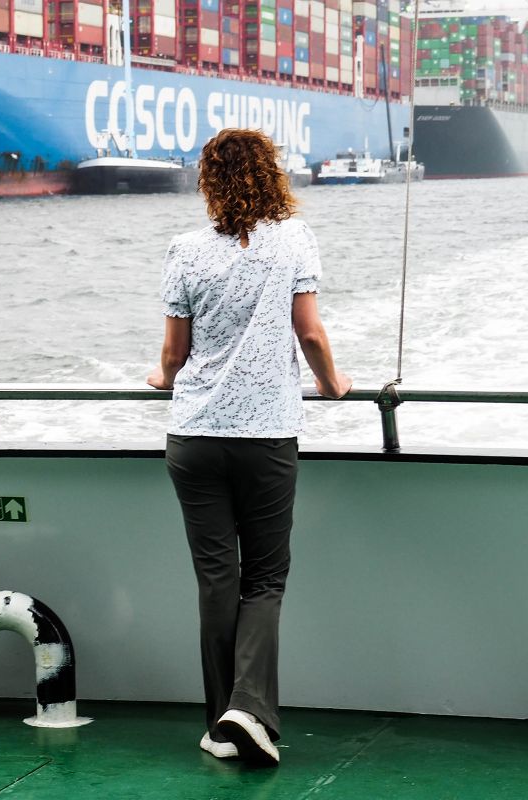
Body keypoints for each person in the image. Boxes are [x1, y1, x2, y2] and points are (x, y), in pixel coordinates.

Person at [145, 128, 352, 767]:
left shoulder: (184, 249)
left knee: (217, 579)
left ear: (209, 181)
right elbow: (310, 333)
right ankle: (250, 710)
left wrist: (161, 379)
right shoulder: (293, 239)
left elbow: (174, 356)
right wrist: (334, 385)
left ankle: (221, 725)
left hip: (195, 437)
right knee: (264, 578)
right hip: (264, 436)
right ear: (272, 176)